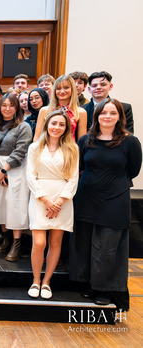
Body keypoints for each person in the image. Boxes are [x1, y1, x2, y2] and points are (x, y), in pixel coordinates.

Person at [70, 98, 142, 311]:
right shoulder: (86, 140)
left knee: (107, 248)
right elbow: (80, 165)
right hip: (86, 198)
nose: (107, 117)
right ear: (97, 116)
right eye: (103, 113)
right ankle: (87, 283)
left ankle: (104, 289)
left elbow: (133, 170)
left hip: (114, 200)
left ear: (120, 116)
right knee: (83, 244)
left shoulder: (130, 142)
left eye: (112, 113)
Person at [26, 110, 78, 299]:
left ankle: (47, 282)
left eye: (61, 124)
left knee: (56, 243)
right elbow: (30, 176)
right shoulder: (34, 148)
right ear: (47, 124)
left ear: (66, 128)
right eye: (53, 123)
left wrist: (60, 200)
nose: (57, 127)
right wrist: (46, 199)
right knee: (39, 242)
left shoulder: (73, 148)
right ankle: (35, 280)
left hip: (62, 198)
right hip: (40, 196)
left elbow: (73, 178)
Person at [0, 93, 32, 262]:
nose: (7, 109)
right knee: (0, 205)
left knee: (14, 206)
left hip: (15, 170)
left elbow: (21, 151)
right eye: (4, 105)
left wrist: (4, 170)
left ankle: (16, 244)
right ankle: (5, 239)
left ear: (17, 108)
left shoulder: (23, 126)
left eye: (11, 105)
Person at [34, 75, 87, 142]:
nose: (62, 91)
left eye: (66, 88)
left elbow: (81, 142)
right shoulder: (45, 110)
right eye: (58, 88)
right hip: (47, 150)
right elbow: (37, 139)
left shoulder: (80, 112)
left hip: (70, 150)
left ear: (72, 89)